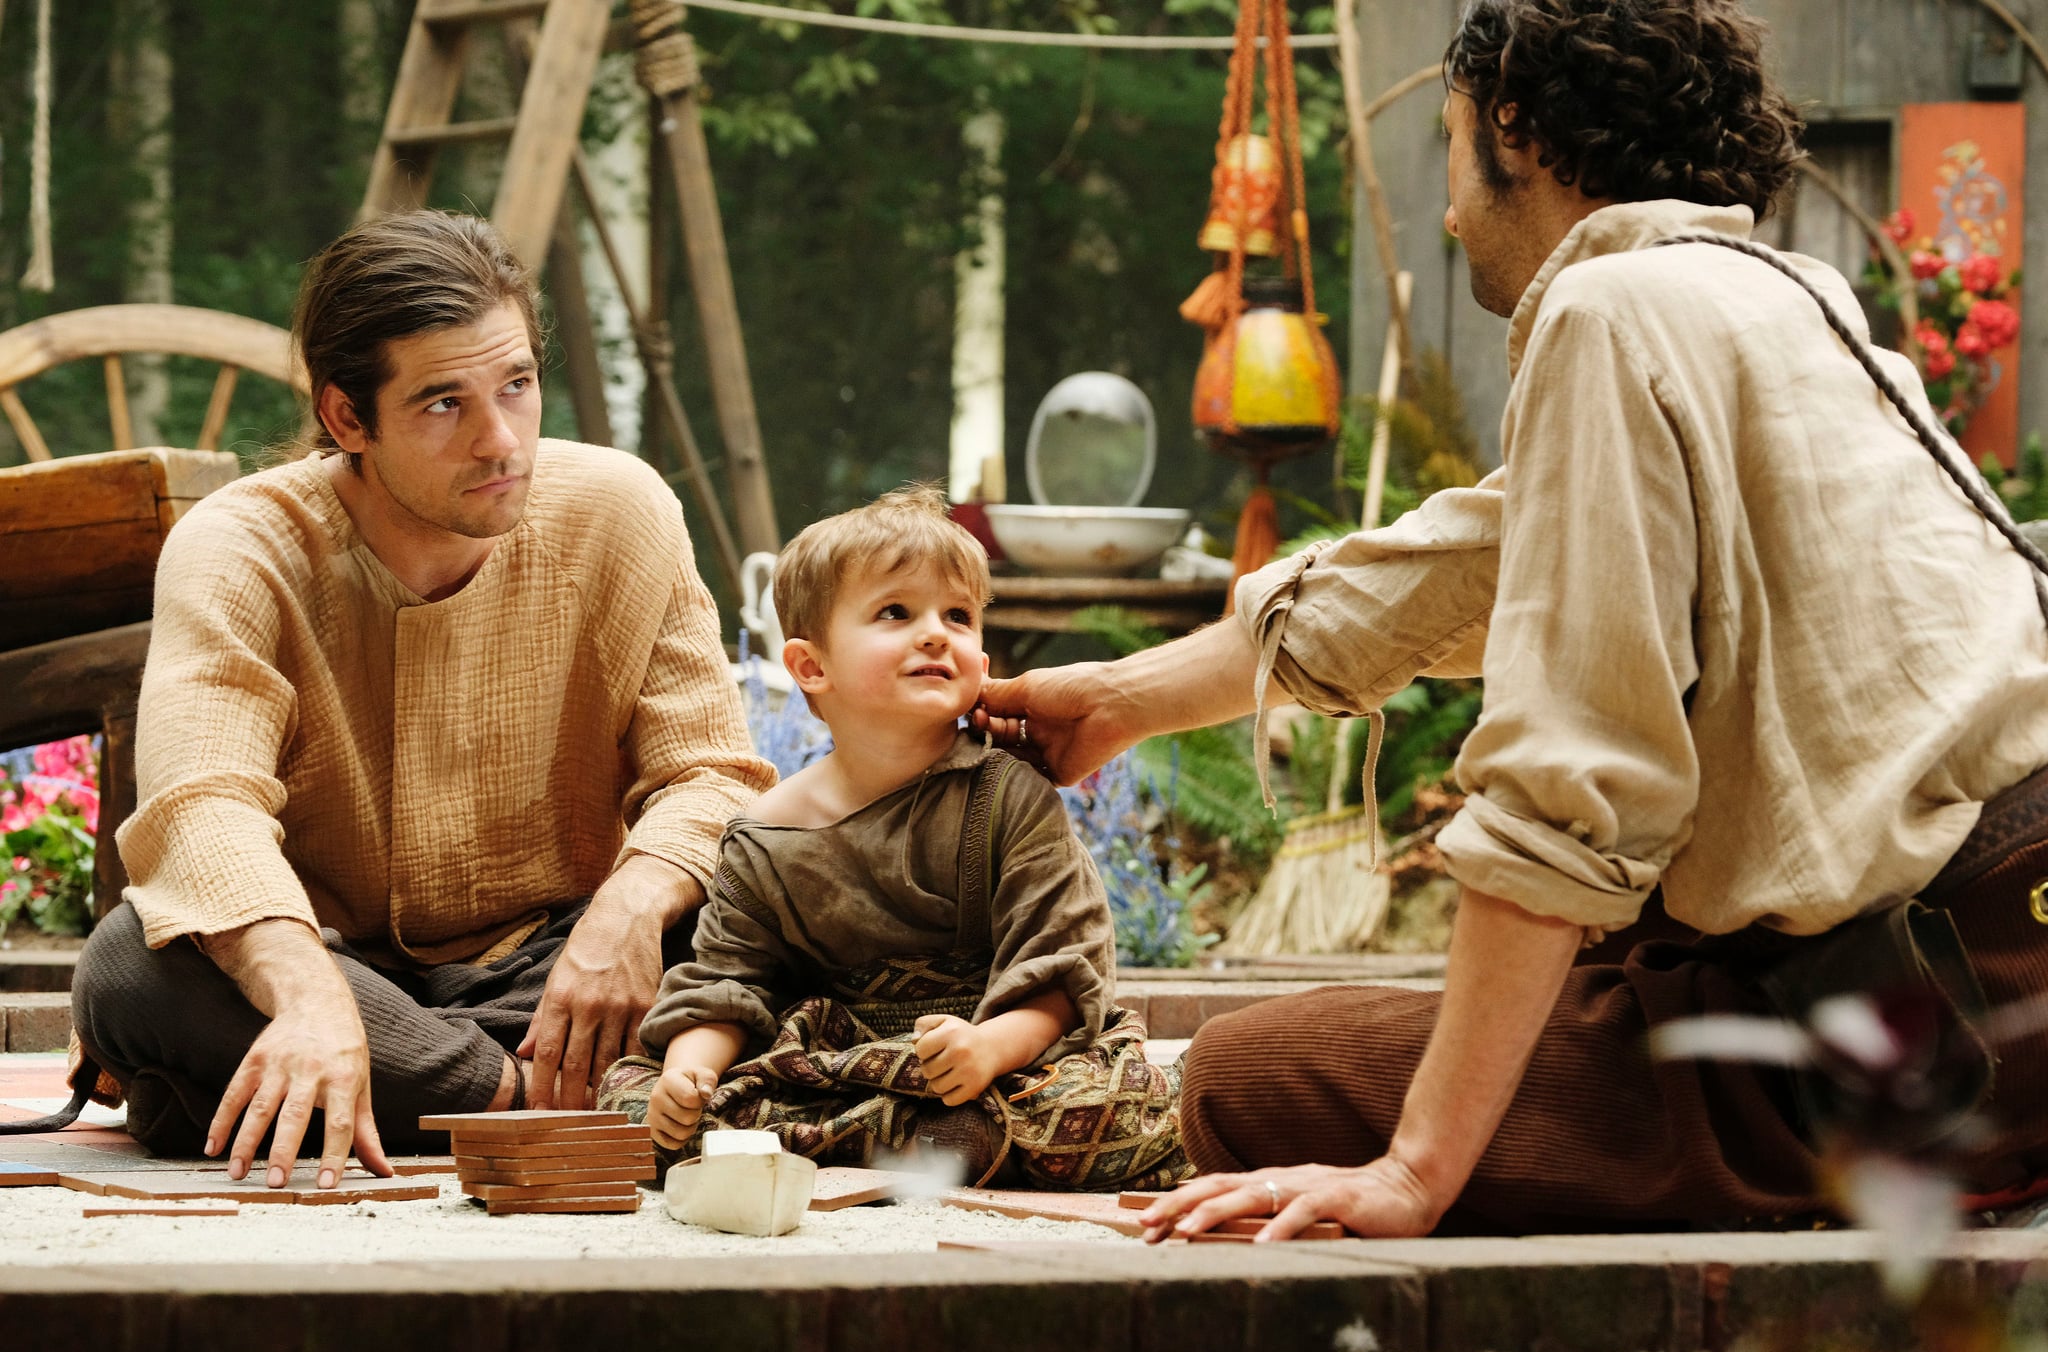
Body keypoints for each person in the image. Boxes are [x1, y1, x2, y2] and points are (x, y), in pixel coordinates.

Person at [977, 0, 2048, 1239]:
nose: (1444, 210)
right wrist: (1116, 703)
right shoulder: (1782, 302)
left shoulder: (1610, 318)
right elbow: (1454, 573)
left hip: (1922, 1053)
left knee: (1246, 1074)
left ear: (1513, 129)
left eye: (1444, 151)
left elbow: (1571, 780)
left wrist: (1412, 1173)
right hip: (2006, 990)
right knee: (1553, 980)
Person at [66, 211, 775, 1192]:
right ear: (347, 418)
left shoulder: (621, 508)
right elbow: (201, 805)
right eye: (444, 403)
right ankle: (527, 1099)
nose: (500, 440)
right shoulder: (242, 546)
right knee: (128, 965)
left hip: (566, 975)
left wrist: (629, 911)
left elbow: (710, 773)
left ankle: (333, 1095)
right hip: (335, 963)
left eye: (516, 386)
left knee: (767, 907)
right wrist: (309, 997)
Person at [595, 487, 1190, 1190]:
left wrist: (987, 1047)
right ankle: (927, 1144)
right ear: (812, 666)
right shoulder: (765, 836)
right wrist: (688, 1073)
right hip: (836, 1066)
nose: (937, 632)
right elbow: (729, 984)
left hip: (1005, 1055)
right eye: (896, 613)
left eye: (959, 615)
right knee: (629, 1099)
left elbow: (1061, 967)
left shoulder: (1010, 795)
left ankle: (879, 1145)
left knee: (1107, 1102)